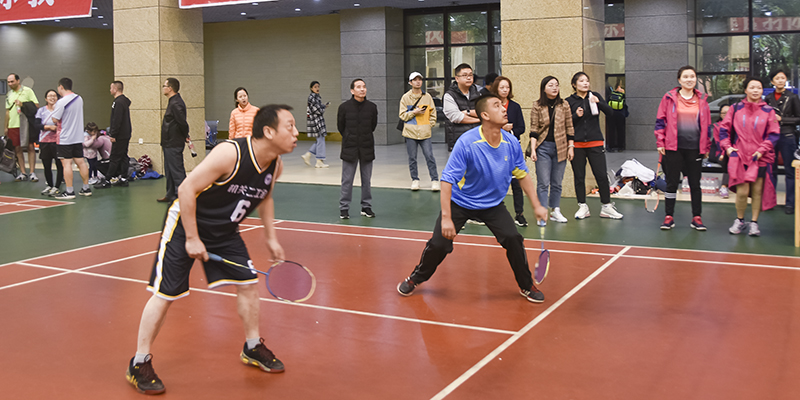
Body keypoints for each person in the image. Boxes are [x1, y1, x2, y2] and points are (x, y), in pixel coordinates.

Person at [126, 105, 297, 395]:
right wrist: (193, 238)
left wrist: (271, 238)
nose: (295, 133)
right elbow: (186, 189)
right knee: (166, 293)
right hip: (185, 225)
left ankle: (252, 346)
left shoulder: (275, 164)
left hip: (225, 232)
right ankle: (139, 362)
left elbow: (265, 196)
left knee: (249, 284)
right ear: (268, 131)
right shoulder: (230, 153)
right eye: (289, 126)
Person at [396, 94, 549, 303]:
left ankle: (526, 284)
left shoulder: (511, 142)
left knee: (513, 238)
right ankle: (416, 278)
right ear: (485, 115)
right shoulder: (467, 142)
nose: (504, 108)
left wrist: (537, 206)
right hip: (461, 202)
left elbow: (522, 174)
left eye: (502, 105)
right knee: (439, 245)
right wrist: (447, 218)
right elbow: (447, 180)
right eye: (497, 105)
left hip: (493, 204)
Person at [718, 77, 780, 237]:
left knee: (757, 191)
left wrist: (762, 150)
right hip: (739, 157)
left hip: (759, 157)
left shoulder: (769, 111)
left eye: (758, 87)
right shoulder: (735, 108)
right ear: (745, 90)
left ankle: (754, 223)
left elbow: (773, 134)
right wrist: (728, 147)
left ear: (762, 90)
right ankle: (740, 220)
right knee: (742, 192)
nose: (755, 90)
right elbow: (724, 130)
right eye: (752, 87)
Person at [654, 66, 711, 231]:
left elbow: (707, 125)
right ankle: (669, 216)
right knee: (672, 183)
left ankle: (697, 217)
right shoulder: (669, 98)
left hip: (695, 149)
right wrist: (660, 142)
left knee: (695, 184)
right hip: (673, 148)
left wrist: (706, 146)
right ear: (679, 80)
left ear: (696, 79)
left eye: (692, 76)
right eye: (685, 77)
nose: (689, 79)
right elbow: (660, 121)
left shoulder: (702, 100)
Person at [567, 72, 624, 220]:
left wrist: (599, 103)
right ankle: (582, 206)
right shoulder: (568, 101)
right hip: (577, 144)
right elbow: (565, 123)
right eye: (581, 81)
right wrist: (575, 115)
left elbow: (610, 113)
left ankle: (606, 206)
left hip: (595, 142)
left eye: (587, 80)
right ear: (574, 84)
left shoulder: (595, 96)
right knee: (579, 176)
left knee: (601, 175)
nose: (585, 83)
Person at [529, 76, 574, 225]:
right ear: (544, 88)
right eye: (551, 85)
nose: (555, 88)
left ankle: (555, 210)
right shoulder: (537, 105)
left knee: (557, 182)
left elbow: (569, 127)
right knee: (543, 182)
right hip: (543, 147)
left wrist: (571, 147)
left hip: (561, 147)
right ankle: (542, 213)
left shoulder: (564, 104)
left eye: (557, 85)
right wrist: (533, 149)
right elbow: (534, 128)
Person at [337, 78, 378, 219]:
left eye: (364, 86)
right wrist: (349, 137)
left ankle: (366, 207)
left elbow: (373, 126)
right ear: (352, 90)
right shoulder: (344, 107)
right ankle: (344, 208)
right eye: (359, 87)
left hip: (367, 147)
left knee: (366, 180)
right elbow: (341, 127)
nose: (362, 89)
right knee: (347, 180)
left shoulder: (372, 107)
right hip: (350, 148)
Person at [490, 76, 527, 226]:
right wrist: (501, 128)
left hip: (513, 149)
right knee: (496, 182)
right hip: (496, 148)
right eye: (502, 87)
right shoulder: (491, 106)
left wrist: (510, 131)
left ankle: (519, 214)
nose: (505, 90)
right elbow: (486, 125)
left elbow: (521, 128)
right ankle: (491, 212)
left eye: (507, 87)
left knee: (517, 183)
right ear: (496, 89)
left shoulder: (515, 107)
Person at [764, 69, 800, 214]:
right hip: (771, 137)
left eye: (783, 78)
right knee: (771, 170)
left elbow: (798, 118)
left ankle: (790, 203)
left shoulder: (793, 97)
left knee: (790, 171)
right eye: (777, 78)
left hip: (788, 136)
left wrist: (782, 119)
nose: (780, 80)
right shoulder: (768, 97)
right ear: (772, 81)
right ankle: (770, 201)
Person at [52, 77, 92, 199]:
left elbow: (55, 119)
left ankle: (69, 191)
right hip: (78, 137)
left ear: (61, 87)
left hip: (65, 138)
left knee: (67, 164)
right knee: (81, 162)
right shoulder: (79, 99)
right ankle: (86, 188)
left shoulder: (61, 102)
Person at [399, 72, 439, 191]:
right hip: (410, 133)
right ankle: (415, 180)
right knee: (412, 158)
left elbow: (433, 113)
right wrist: (414, 112)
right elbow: (402, 115)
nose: (418, 82)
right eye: (415, 80)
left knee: (429, 156)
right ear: (410, 82)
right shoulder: (405, 97)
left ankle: (434, 180)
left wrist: (430, 125)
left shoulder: (427, 97)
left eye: (420, 79)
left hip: (425, 133)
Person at [96, 81, 132, 189]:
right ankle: (124, 178)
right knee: (123, 156)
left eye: (111, 88)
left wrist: (113, 134)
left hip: (120, 135)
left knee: (115, 157)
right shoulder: (123, 101)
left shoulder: (118, 103)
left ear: (115, 89)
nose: (110, 90)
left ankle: (107, 180)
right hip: (125, 133)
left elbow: (117, 120)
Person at [158, 77, 189, 203]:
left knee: (177, 171)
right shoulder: (173, 102)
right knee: (169, 170)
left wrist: (186, 134)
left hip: (174, 142)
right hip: (168, 142)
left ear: (170, 88)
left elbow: (182, 122)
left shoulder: (176, 103)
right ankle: (170, 194)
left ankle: (183, 196)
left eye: (164, 86)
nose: (163, 88)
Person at [4, 73, 39, 182]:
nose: (10, 84)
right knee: (17, 149)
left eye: (12, 81)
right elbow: (7, 112)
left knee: (30, 147)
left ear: (18, 81)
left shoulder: (28, 91)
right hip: (13, 125)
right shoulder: (9, 94)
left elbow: (36, 106)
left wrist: (23, 104)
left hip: (26, 124)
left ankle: (32, 172)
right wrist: (6, 127)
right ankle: (23, 172)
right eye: (8, 82)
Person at [443, 63, 481, 152]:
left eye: (470, 75)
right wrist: (479, 119)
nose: (468, 78)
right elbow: (457, 117)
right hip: (459, 142)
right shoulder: (449, 96)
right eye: (464, 75)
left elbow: (483, 112)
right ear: (457, 78)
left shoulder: (478, 94)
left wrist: (467, 112)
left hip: (478, 140)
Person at [35, 89, 63, 196]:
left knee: (59, 164)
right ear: (46, 99)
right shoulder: (41, 110)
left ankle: (57, 186)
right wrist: (48, 127)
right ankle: (50, 185)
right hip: (44, 141)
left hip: (57, 141)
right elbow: (36, 125)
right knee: (46, 165)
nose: (52, 98)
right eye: (50, 96)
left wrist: (57, 128)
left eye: (54, 96)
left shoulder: (60, 110)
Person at [300, 81, 330, 168]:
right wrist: (323, 108)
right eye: (315, 87)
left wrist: (323, 106)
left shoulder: (315, 97)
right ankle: (319, 160)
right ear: (311, 88)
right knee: (321, 140)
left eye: (318, 86)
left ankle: (308, 154)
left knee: (320, 140)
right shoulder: (313, 97)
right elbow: (317, 110)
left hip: (317, 121)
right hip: (316, 122)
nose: (317, 88)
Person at [709, 104, 731, 199]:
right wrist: (723, 153)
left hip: (731, 152)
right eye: (724, 113)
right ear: (720, 114)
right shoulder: (717, 126)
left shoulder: (736, 125)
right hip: (719, 152)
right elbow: (719, 143)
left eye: (728, 113)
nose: (726, 115)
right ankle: (724, 187)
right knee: (728, 160)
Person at [605, 81, 628, 152]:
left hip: (611, 114)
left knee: (611, 130)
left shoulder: (611, 94)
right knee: (620, 130)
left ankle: (611, 146)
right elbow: (625, 106)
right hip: (620, 114)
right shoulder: (623, 95)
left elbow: (607, 103)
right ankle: (620, 147)